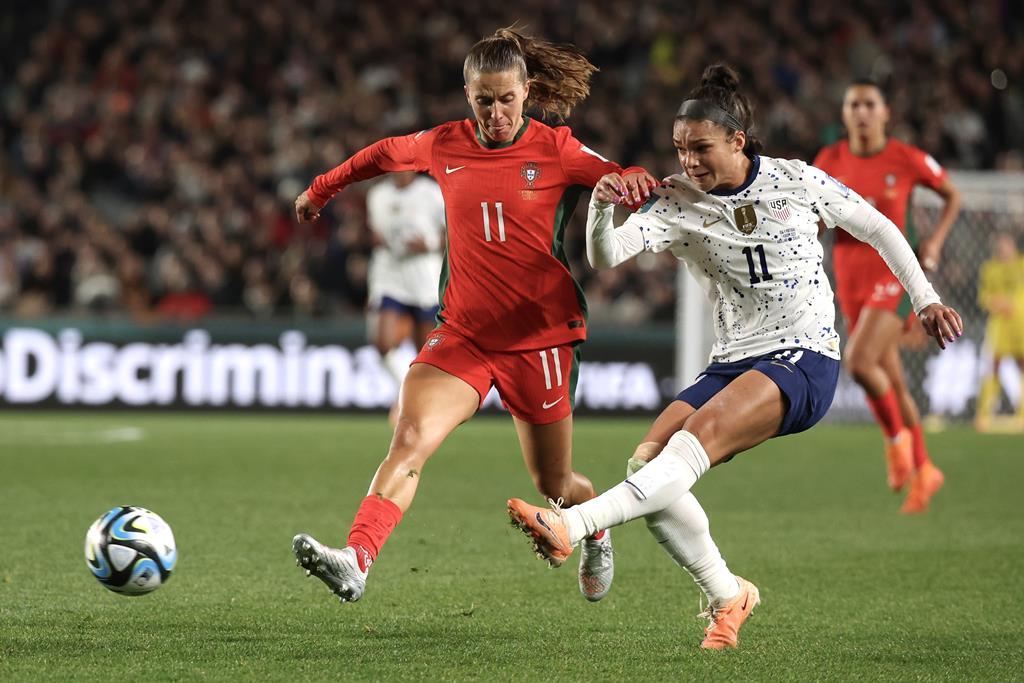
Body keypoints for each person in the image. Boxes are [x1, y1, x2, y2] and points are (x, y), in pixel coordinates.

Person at [506, 64, 962, 650]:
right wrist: (600, 206)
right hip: (732, 361)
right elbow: (606, 257)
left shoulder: (796, 181)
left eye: (701, 148)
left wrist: (924, 298)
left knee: (693, 445)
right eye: (679, 148)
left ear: (737, 142)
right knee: (644, 467)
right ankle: (728, 595)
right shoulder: (676, 199)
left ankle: (571, 524)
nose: (689, 161)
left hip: (803, 355)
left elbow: (878, 227)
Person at [290, 27, 657, 604]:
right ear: (468, 94)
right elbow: (383, 153)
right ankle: (357, 558)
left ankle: (596, 528)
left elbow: (611, 172)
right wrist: (321, 189)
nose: (495, 112)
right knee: (407, 439)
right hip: (463, 335)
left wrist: (629, 178)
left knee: (556, 485)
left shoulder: (555, 147)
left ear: (526, 90)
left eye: (506, 98)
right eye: (483, 100)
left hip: (539, 340)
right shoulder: (444, 144)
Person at [813, 80, 961, 513]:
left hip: (894, 276)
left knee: (859, 364)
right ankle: (925, 468)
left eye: (869, 104)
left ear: (885, 113)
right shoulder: (830, 160)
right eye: (853, 104)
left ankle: (896, 442)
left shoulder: (905, 158)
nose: (861, 112)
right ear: (844, 114)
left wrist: (932, 244)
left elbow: (952, 194)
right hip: (850, 279)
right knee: (892, 380)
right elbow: (815, 213)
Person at [364, 170, 446, 424]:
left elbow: (456, 232)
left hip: (425, 281)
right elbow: (375, 233)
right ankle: (403, 392)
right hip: (390, 279)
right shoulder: (378, 194)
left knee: (427, 354)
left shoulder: (432, 193)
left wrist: (430, 244)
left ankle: (420, 403)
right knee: (383, 342)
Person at [975, 231, 1024, 431]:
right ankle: (984, 413)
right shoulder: (989, 268)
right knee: (993, 366)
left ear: (1013, 246)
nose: (1003, 249)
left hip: (1021, 322)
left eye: (1006, 245)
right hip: (999, 325)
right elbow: (983, 297)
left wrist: (1014, 304)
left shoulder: (1021, 265)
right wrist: (996, 303)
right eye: (1000, 245)